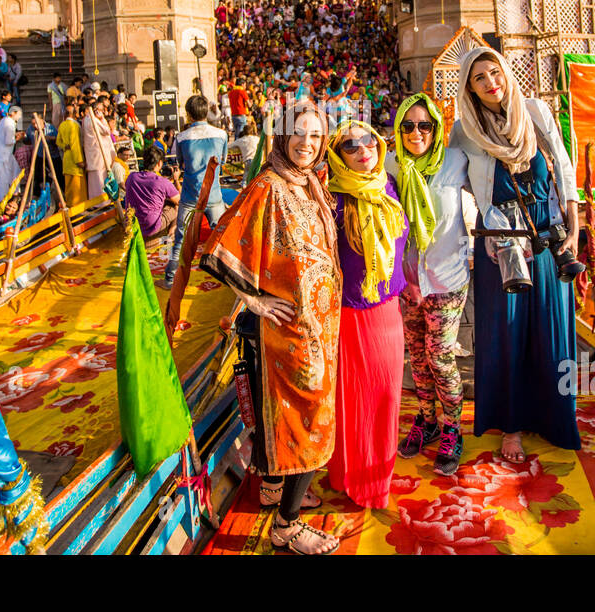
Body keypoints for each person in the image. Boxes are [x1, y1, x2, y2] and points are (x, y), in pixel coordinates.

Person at [199, 102, 342, 554]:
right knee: (306, 420)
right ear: (280, 137)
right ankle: (287, 524)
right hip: (286, 336)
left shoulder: (310, 184)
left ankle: (276, 491)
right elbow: (220, 247)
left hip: (319, 329)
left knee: (296, 419)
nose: (306, 143)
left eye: (316, 136)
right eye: (297, 133)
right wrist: (253, 301)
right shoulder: (268, 185)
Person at [453, 47, 581, 459]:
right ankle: (511, 426)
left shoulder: (536, 112)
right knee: (504, 333)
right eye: (479, 78)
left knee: (550, 327)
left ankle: (555, 417)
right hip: (500, 243)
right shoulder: (465, 131)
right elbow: (449, 180)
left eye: (495, 72)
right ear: (469, 89)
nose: (491, 82)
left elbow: (563, 169)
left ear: (506, 73)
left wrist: (574, 232)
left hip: (547, 234)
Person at [325, 119, 409, 509]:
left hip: (387, 311)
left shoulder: (387, 188)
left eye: (369, 143)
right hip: (348, 314)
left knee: (386, 397)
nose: (363, 151)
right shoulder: (330, 199)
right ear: (336, 155)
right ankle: (348, 476)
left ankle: (375, 478)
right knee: (352, 400)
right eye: (351, 146)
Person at [385, 93, 471, 474]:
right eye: (408, 126)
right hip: (408, 280)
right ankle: (428, 419)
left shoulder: (456, 160)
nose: (417, 133)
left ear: (436, 128)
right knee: (417, 356)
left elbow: (490, 187)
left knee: (440, 355)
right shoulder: (390, 165)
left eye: (425, 125)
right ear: (399, 130)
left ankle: (453, 428)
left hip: (446, 276)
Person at [161, 94, 229, 289]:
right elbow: (221, 161)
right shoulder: (222, 134)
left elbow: (181, 164)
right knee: (221, 234)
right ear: (206, 112)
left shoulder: (181, 137)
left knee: (181, 237)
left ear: (188, 115)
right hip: (214, 194)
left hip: (190, 195)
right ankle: (229, 275)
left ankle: (170, 279)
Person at [125, 145, 181, 241]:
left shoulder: (131, 177)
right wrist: (176, 180)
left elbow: (145, 192)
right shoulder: (162, 182)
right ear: (159, 163)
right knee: (175, 206)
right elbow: (180, 201)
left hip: (132, 223)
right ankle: (172, 232)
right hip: (151, 227)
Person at [0, 105, 23, 201]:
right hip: (3, 155)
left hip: (3, 154)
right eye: (19, 115)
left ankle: (14, 196)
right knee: (5, 179)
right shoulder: (9, 123)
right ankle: (6, 200)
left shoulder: (5, 120)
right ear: (13, 113)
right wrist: (17, 138)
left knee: (14, 173)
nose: (19, 117)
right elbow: (9, 141)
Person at [56, 104, 86, 207]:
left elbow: (58, 142)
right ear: (74, 114)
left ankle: (69, 205)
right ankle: (77, 209)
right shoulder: (74, 125)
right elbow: (75, 145)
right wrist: (79, 161)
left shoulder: (62, 125)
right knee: (77, 188)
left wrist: (65, 146)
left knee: (68, 186)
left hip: (66, 158)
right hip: (74, 159)